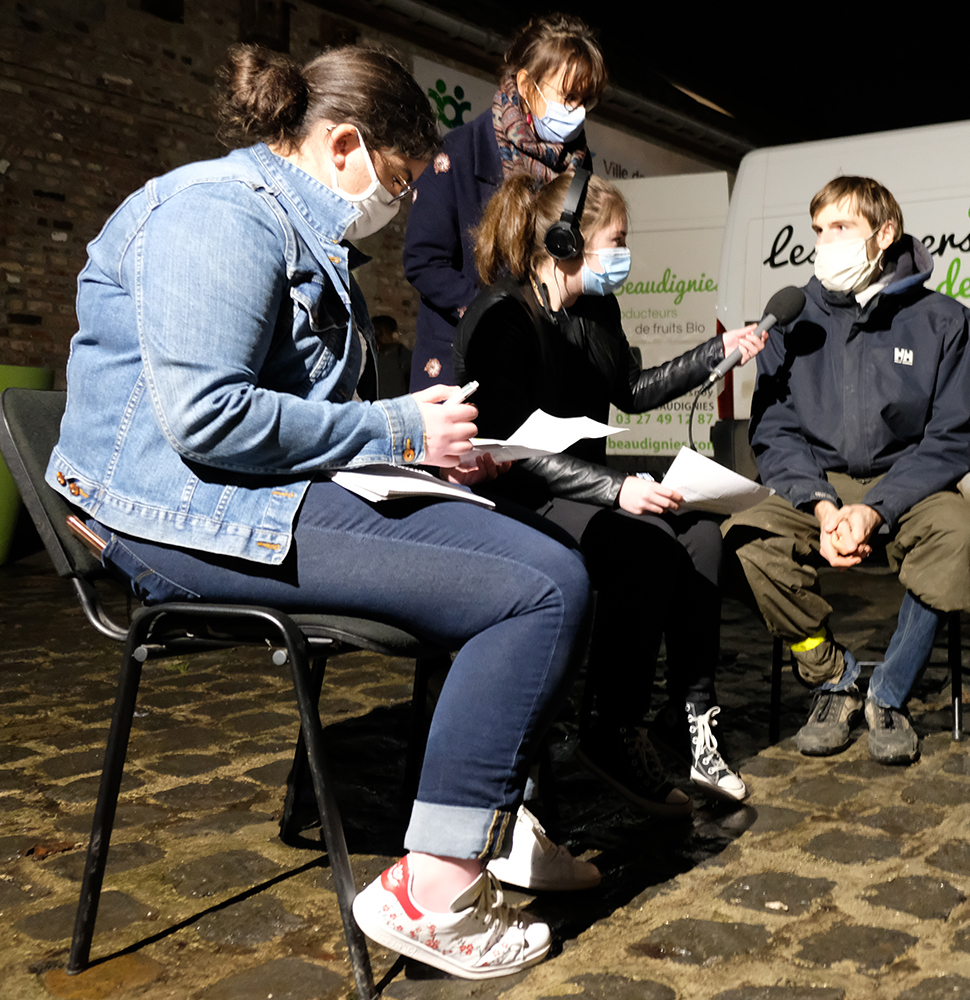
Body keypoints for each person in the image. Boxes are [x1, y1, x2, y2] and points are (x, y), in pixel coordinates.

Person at [44, 44, 594, 980]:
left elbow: (311, 421)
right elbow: (206, 416)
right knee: (539, 587)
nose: (400, 203)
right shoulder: (218, 214)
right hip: (182, 517)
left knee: (538, 548)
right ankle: (433, 889)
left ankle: (492, 825)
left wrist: (426, 464)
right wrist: (399, 431)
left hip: (256, 496)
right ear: (344, 146)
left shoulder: (297, 226)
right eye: (399, 179)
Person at [453, 168, 768, 813]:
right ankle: (609, 726)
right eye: (617, 238)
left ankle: (690, 719)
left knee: (702, 535)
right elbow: (511, 445)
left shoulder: (596, 309)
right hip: (525, 494)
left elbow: (631, 390)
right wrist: (617, 490)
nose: (626, 253)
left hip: (587, 486)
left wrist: (715, 354)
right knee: (647, 545)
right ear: (567, 241)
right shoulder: (501, 318)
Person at [722, 176, 970, 766]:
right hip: (818, 483)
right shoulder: (790, 318)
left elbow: (953, 437)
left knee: (965, 538)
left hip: (909, 484)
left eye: (841, 228)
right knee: (742, 540)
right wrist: (823, 507)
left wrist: (876, 509)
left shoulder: (941, 319)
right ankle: (834, 675)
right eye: (818, 230)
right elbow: (774, 431)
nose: (825, 243)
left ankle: (888, 694)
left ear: (885, 233)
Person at [405, 12, 605, 391]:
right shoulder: (457, 153)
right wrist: (499, 314)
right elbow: (423, 261)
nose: (577, 112)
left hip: (543, 365)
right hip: (463, 364)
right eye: (569, 96)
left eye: (586, 100)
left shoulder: (580, 166)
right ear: (528, 85)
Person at [372, 314, 413, 398]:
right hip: (394, 407)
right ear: (393, 333)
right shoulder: (400, 353)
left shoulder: (364, 353)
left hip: (368, 407)